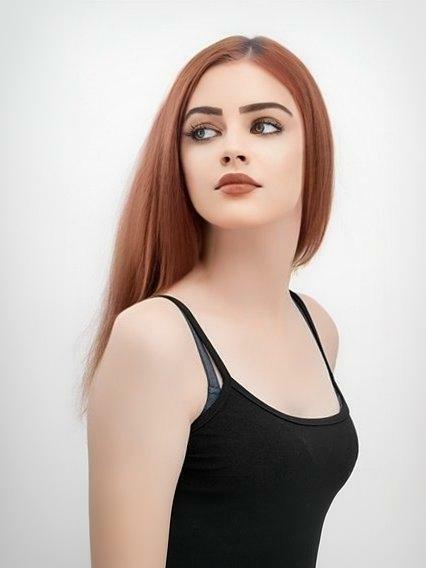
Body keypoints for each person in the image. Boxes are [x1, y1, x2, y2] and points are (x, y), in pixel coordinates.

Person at [81, 35, 359, 567]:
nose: (231, 148)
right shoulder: (156, 339)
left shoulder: (317, 327)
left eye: (265, 125)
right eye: (203, 132)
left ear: (314, 152)